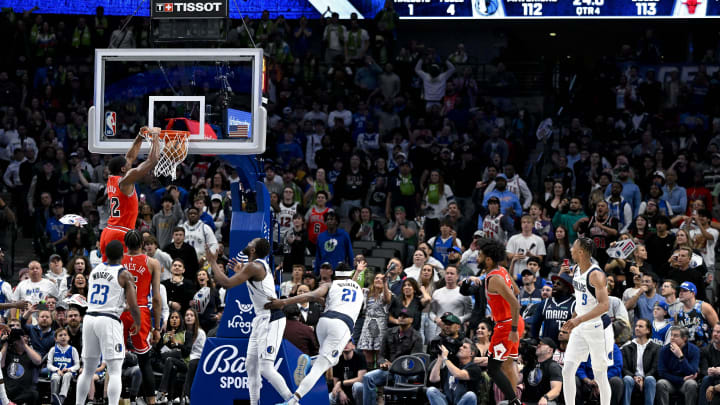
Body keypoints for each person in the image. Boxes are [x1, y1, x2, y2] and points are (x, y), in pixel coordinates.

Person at [207, 239, 294, 405]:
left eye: (250, 242)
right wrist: (241, 271)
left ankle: (292, 401)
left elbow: (226, 283)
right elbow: (254, 282)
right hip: (260, 318)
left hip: (272, 318)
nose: (247, 243)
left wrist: (212, 261)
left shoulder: (254, 266)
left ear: (252, 250)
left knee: (266, 368)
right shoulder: (256, 266)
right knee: (250, 365)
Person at [265, 264, 363, 405]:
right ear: (351, 274)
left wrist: (284, 301)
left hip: (323, 322)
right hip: (341, 326)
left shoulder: (331, 284)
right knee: (321, 367)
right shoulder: (359, 288)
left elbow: (313, 295)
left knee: (332, 360)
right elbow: (349, 285)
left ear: (335, 273)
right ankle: (293, 401)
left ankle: (311, 360)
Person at [75, 240, 142, 405]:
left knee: (88, 371)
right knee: (115, 370)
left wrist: (119, 306)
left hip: (90, 318)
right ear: (123, 254)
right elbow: (133, 305)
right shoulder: (124, 273)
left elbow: (106, 298)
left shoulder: (95, 270)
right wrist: (138, 322)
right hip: (108, 320)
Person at [561, 237, 615, 405]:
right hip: (580, 326)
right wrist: (573, 318)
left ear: (581, 252)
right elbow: (582, 298)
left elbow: (605, 305)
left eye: (573, 248)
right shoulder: (576, 269)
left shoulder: (596, 275)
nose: (570, 250)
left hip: (598, 327)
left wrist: (579, 320)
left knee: (600, 373)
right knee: (567, 369)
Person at [99, 128, 160, 260]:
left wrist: (140, 136)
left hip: (108, 231)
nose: (130, 164)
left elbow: (130, 157)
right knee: (122, 273)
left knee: (107, 270)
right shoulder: (125, 181)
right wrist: (155, 138)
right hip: (121, 232)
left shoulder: (112, 180)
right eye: (128, 165)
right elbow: (153, 160)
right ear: (123, 169)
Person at [478, 240, 524, 405]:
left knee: (493, 368)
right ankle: (514, 399)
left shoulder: (494, 278)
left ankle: (513, 400)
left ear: (488, 260)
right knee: (509, 363)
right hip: (514, 321)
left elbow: (515, 303)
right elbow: (516, 291)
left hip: (507, 326)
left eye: (480, 255)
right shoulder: (502, 270)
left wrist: (511, 328)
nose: (478, 258)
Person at [120, 230, 163, 405]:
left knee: (116, 359)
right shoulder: (152, 262)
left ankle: (118, 400)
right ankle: (151, 401)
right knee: (144, 361)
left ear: (125, 244)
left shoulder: (117, 261)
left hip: (120, 311)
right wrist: (157, 327)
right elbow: (157, 298)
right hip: (141, 311)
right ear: (143, 245)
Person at [426, 340, 483, 405]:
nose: (460, 348)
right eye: (461, 346)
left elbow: (458, 374)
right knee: (431, 390)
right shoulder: (451, 366)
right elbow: (433, 379)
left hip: (462, 402)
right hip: (447, 402)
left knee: (471, 395)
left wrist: (445, 358)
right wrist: (440, 359)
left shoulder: (474, 368)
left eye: (464, 347)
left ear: (471, 354)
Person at [656, 326, 700, 405]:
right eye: (671, 335)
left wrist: (681, 356)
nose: (672, 338)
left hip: (686, 383)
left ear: (684, 338)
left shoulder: (694, 350)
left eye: (675, 336)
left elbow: (692, 372)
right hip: (670, 382)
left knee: (692, 384)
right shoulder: (664, 350)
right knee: (661, 383)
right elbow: (662, 373)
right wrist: (681, 379)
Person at [621, 318, 660, 405]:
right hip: (632, 378)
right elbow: (624, 368)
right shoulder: (627, 347)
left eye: (640, 326)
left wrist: (643, 378)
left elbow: (655, 368)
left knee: (650, 379)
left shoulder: (656, 348)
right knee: (627, 379)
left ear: (648, 330)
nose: (637, 328)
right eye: (636, 326)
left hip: (647, 378)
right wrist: (635, 377)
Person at [519, 338, 563, 405]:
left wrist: (545, 397)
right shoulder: (530, 365)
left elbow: (556, 389)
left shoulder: (553, 366)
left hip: (546, 402)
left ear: (550, 350)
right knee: (503, 403)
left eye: (542, 344)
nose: (538, 345)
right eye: (538, 344)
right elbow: (516, 380)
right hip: (527, 402)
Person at [675, 281, 719, 347]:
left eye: (684, 291)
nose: (681, 293)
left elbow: (717, 327)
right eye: (680, 291)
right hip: (687, 351)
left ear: (692, 293)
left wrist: (712, 347)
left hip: (705, 349)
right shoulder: (678, 313)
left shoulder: (704, 307)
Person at [47, 328, 80, 405]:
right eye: (60, 335)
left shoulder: (73, 349)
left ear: (68, 337)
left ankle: (61, 398)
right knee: (55, 377)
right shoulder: (53, 349)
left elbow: (77, 365)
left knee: (67, 376)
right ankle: (54, 398)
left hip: (69, 373)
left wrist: (69, 369)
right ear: (55, 339)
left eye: (65, 335)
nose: (63, 337)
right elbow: (49, 364)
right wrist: (57, 369)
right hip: (57, 372)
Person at [330, 340, 367, 405]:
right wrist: (341, 392)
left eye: (349, 342)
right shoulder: (337, 360)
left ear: (354, 346)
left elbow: (361, 379)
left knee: (358, 386)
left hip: (357, 391)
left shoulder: (360, 357)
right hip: (344, 391)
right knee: (330, 397)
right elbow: (335, 383)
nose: (346, 344)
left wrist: (341, 383)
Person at [699, 324, 720, 405]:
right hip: (712, 379)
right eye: (714, 331)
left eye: (718, 332)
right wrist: (710, 371)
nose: (715, 334)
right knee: (706, 378)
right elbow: (703, 371)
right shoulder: (705, 350)